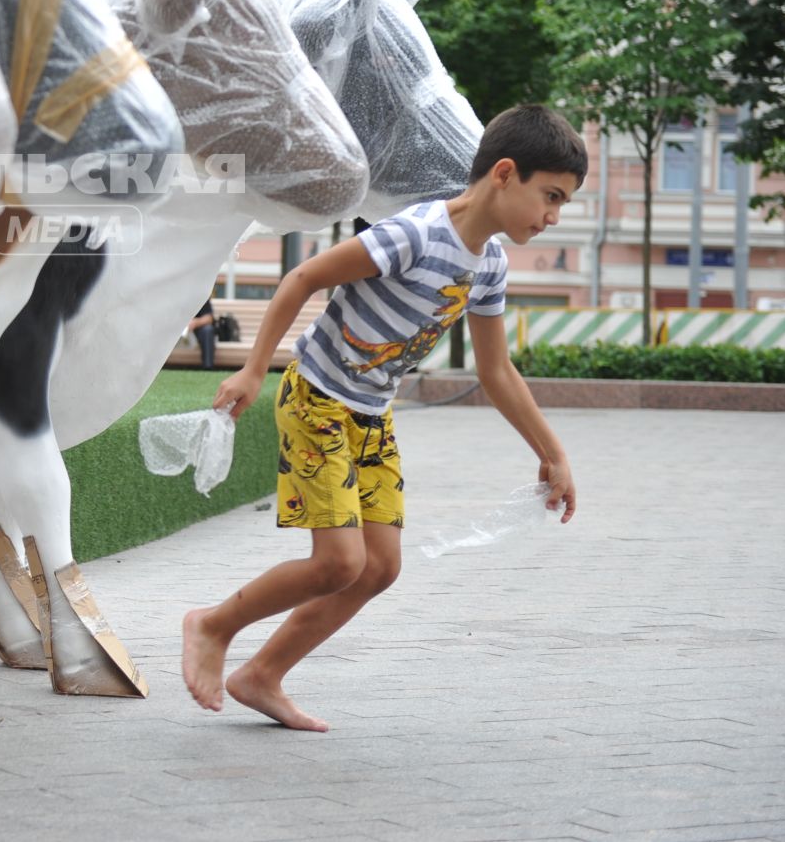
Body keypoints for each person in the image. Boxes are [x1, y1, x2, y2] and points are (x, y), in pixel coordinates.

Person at [181, 104, 586, 732]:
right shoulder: (415, 235)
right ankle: (212, 624)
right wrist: (255, 370)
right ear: (504, 173)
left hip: (371, 414)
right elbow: (302, 278)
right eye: (551, 196)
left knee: (379, 567)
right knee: (339, 562)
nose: (554, 216)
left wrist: (552, 451)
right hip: (317, 397)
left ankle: (262, 675)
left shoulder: (490, 266)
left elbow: (496, 370)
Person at [189, 299, 217, 369]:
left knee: (208, 330)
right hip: (175, 330)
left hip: (196, 329)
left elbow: (209, 318)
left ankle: (208, 367)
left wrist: (195, 322)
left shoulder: (201, 296)